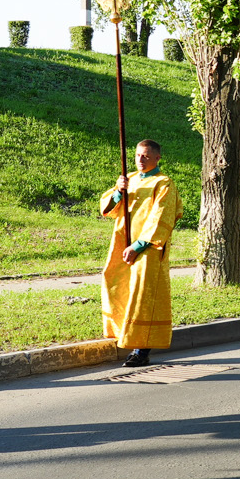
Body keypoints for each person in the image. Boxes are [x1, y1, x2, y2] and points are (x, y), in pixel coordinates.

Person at [99, 138, 181, 368]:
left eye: (145, 156)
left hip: (148, 248)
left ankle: (141, 350)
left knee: (143, 294)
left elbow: (161, 217)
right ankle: (123, 334)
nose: (140, 160)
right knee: (116, 282)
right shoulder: (130, 179)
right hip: (122, 242)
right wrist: (118, 191)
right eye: (137, 155)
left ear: (157, 158)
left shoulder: (164, 183)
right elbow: (108, 209)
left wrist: (138, 246)